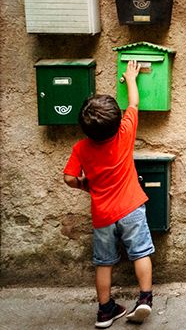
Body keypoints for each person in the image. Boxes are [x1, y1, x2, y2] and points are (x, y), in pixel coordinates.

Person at [63, 60, 154, 328]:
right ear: (116, 123)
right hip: (131, 208)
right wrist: (131, 78)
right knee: (140, 253)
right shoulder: (124, 133)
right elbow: (133, 104)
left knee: (104, 262)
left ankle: (105, 311)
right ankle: (145, 298)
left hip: (102, 214)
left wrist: (84, 185)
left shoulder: (81, 148)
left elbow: (68, 177)